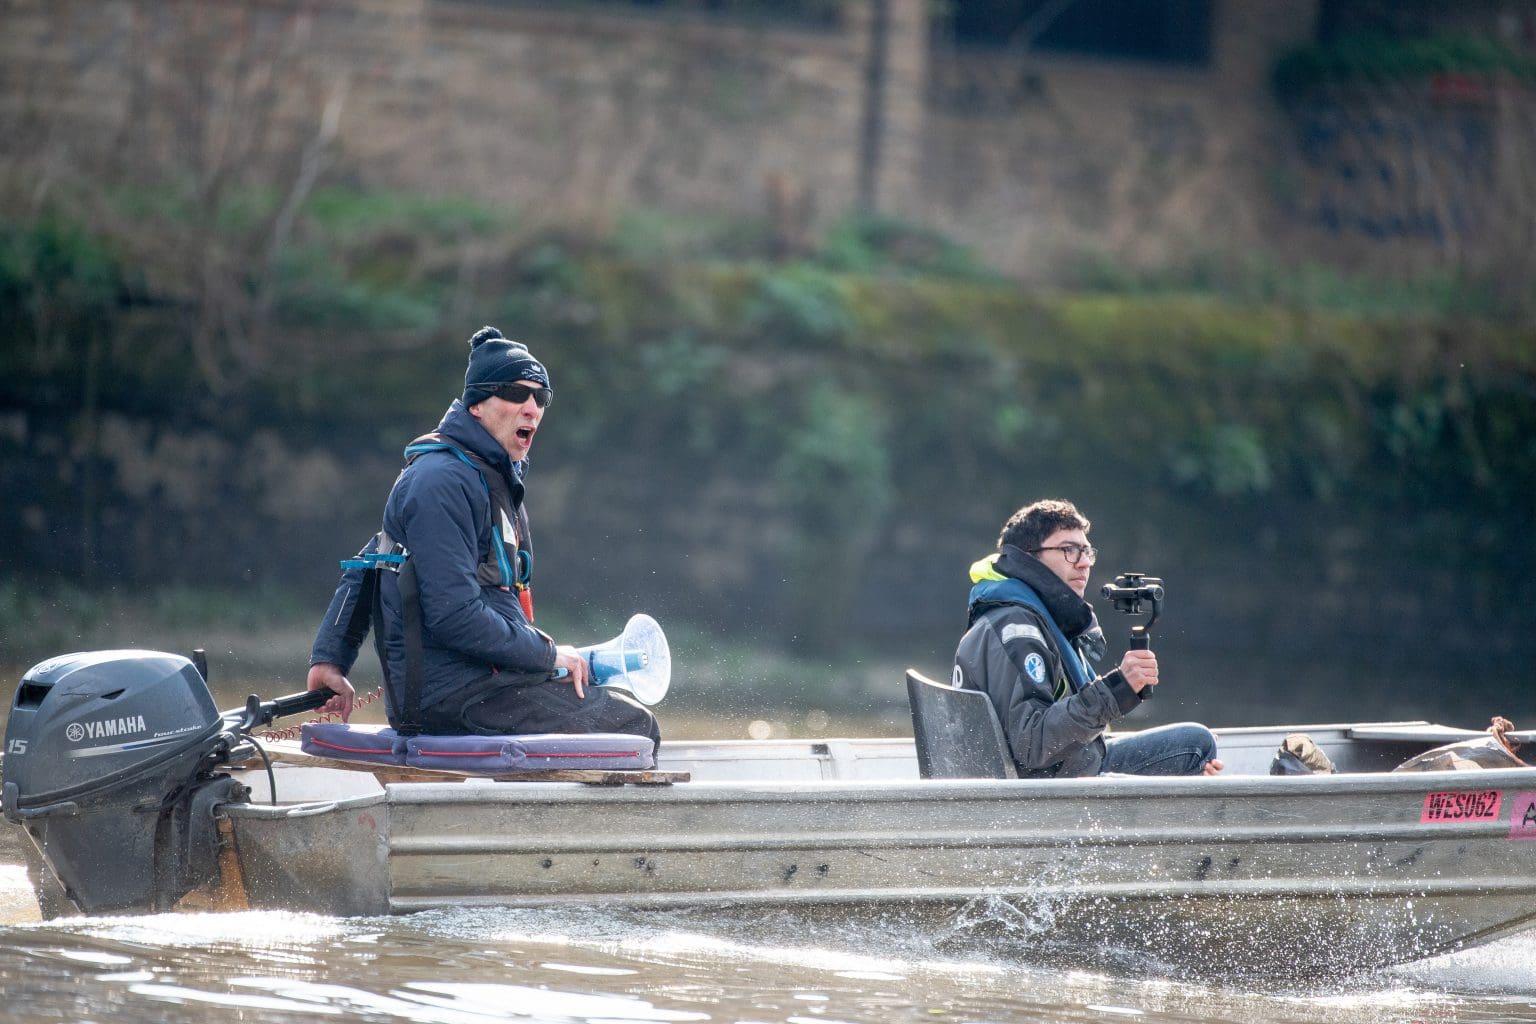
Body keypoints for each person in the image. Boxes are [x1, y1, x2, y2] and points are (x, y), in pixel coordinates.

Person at [304, 326, 660, 746]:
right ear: (476, 404)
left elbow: (371, 562)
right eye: (515, 393)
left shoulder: (488, 477)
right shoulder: (440, 481)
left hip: (488, 683)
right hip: (451, 698)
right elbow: (452, 613)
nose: (531, 408)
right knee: (634, 727)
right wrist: (547, 655)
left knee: (617, 712)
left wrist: (329, 656)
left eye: (541, 397)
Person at [952, 498, 1219, 778]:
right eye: (1069, 550)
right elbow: (1032, 745)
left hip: (1057, 776)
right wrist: (1117, 689)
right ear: (1028, 557)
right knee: (1196, 745)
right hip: (1049, 791)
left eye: (1086, 551)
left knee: (1191, 753)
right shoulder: (1017, 630)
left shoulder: (1024, 617)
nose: (1083, 563)